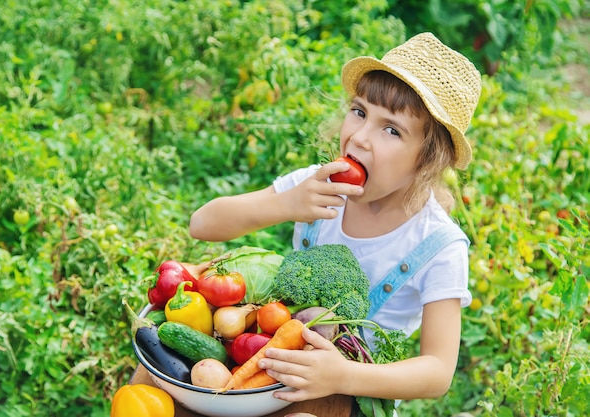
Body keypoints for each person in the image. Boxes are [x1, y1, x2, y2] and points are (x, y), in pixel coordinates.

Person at [189, 32, 481, 406]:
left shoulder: (437, 245)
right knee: (151, 378)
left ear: (428, 159)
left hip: (350, 390)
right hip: (271, 355)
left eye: (391, 130)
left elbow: (437, 372)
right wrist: (287, 203)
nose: (359, 137)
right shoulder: (316, 186)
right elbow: (202, 224)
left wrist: (342, 375)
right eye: (359, 112)